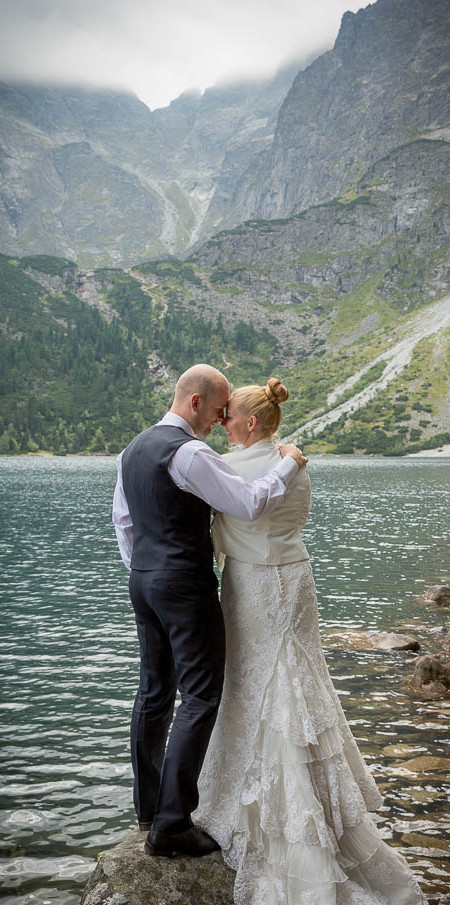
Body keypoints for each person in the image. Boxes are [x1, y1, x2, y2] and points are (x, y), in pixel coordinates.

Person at [194, 377, 437, 905]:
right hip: (295, 580)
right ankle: (316, 810)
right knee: (295, 682)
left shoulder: (237, 470)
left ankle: (277, 820)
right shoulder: (294, 463)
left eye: (227, 414)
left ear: (249, 423)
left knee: (261, 685)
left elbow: (218, 522)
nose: (221, 421)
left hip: (255, 587)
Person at [112, 364, 307, 860]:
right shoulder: (189, 452)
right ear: (196, 402)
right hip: (183, 584)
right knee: (200, 696)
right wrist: (288, 464)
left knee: (154, 692)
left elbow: (124, 523)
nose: (221, 419)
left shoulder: (132, 449)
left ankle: (148, 809)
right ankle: (173, 826)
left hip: (143, 581)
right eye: (219, 409)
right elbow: (248, 504)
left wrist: (149, 570)